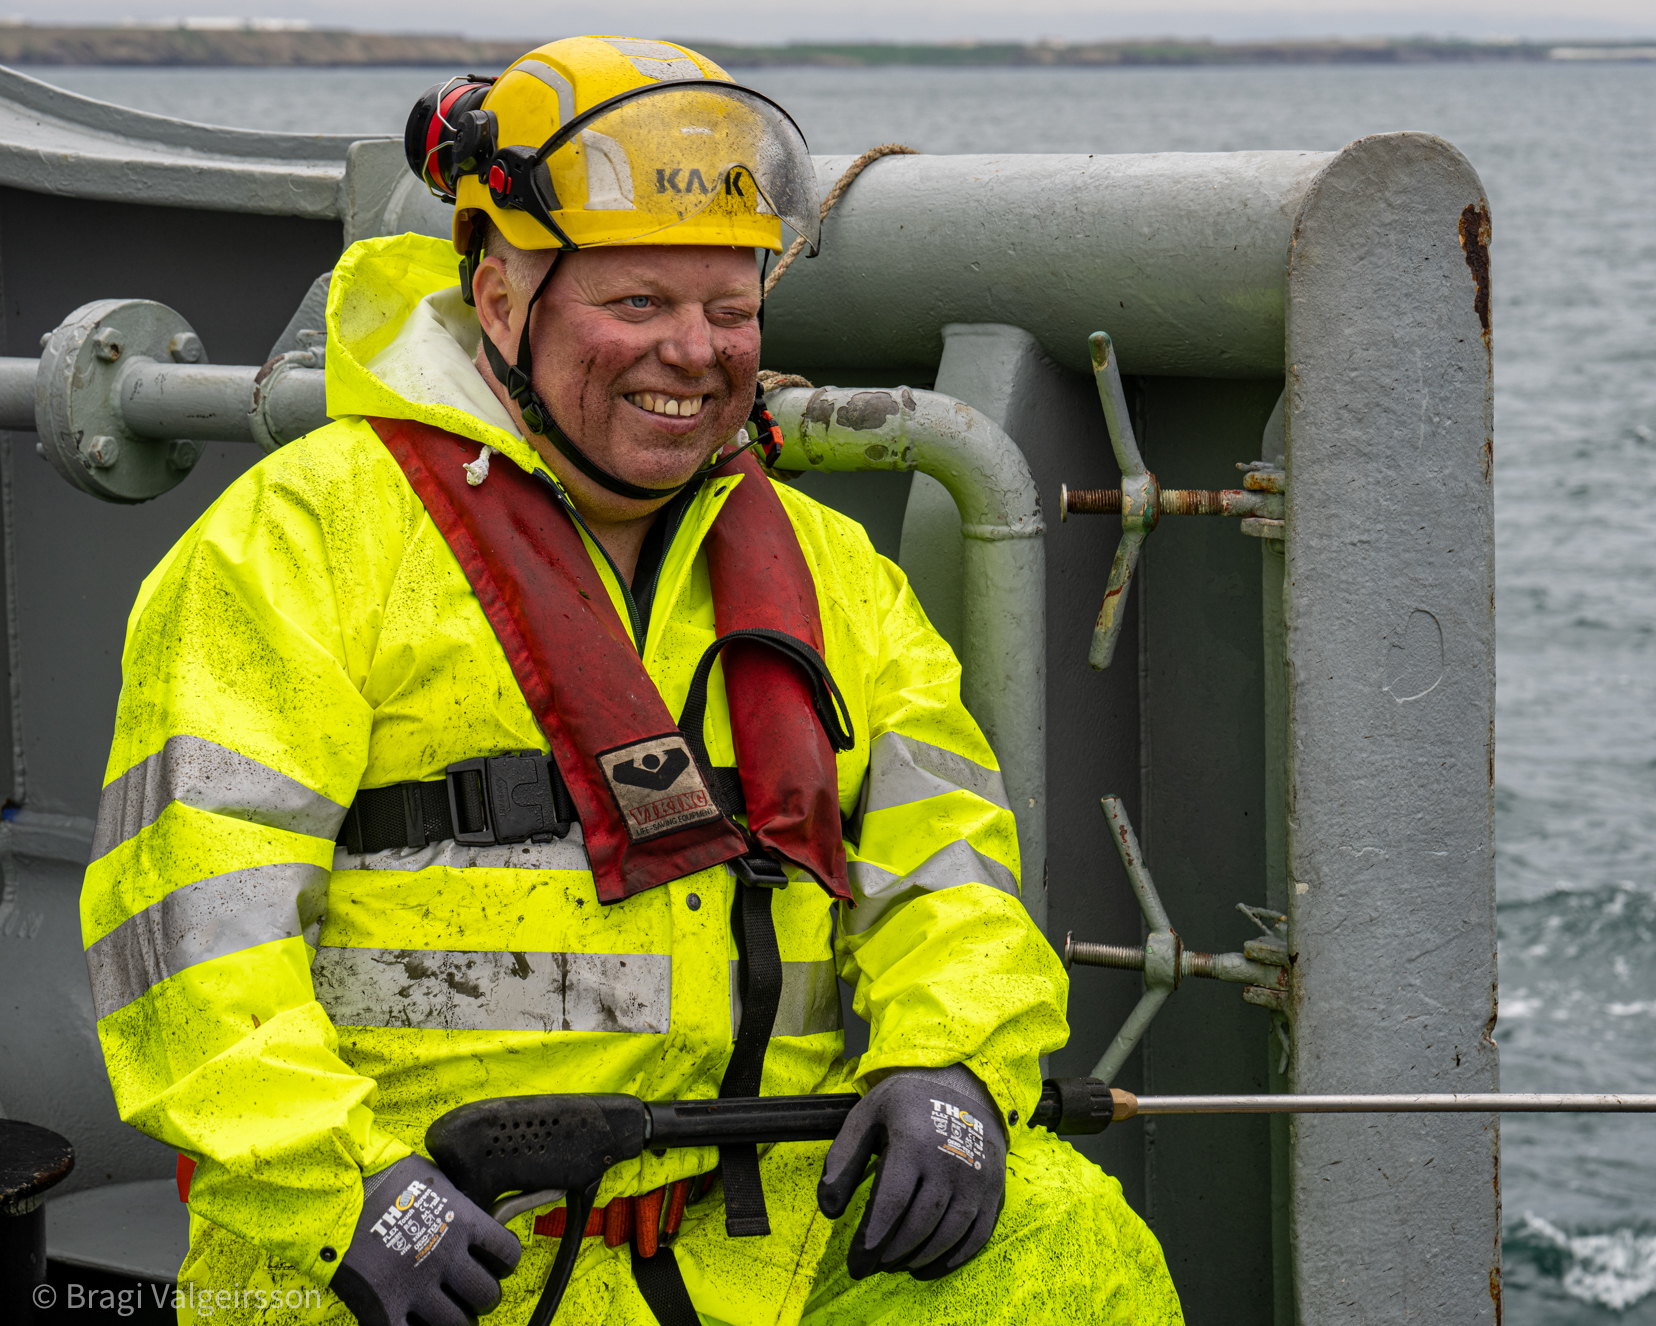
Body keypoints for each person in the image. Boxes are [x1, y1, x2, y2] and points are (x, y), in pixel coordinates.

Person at [80, 35, 1181, 1326]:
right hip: (413, 1241)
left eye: (731, 309)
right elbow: (187, 930)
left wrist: (951, 1061)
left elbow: (949, 872)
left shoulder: (833, 572)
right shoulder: (298, 544)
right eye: (639, 304)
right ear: (501, 301)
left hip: (774, 1234)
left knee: (1063, 1240)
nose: (694, 353)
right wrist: (344, 1187)